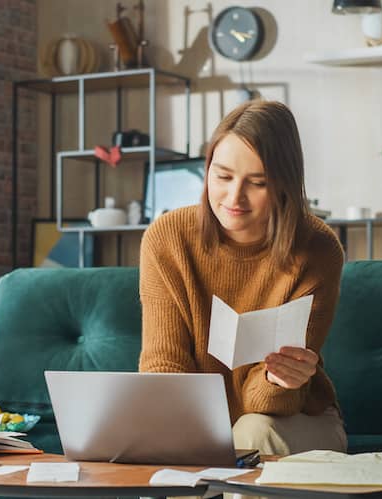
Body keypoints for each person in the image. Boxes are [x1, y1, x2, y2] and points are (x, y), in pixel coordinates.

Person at [138, 100, 347, 457]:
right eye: (222, 176)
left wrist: (276, 379)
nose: (234, 197)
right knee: (164, 438)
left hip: (291, 419)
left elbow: (272, 402)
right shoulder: (168, 238)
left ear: (284, 184)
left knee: (254, 433)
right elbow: (163, 365)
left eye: (258, 182)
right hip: (198, 424)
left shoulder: (317, 249)